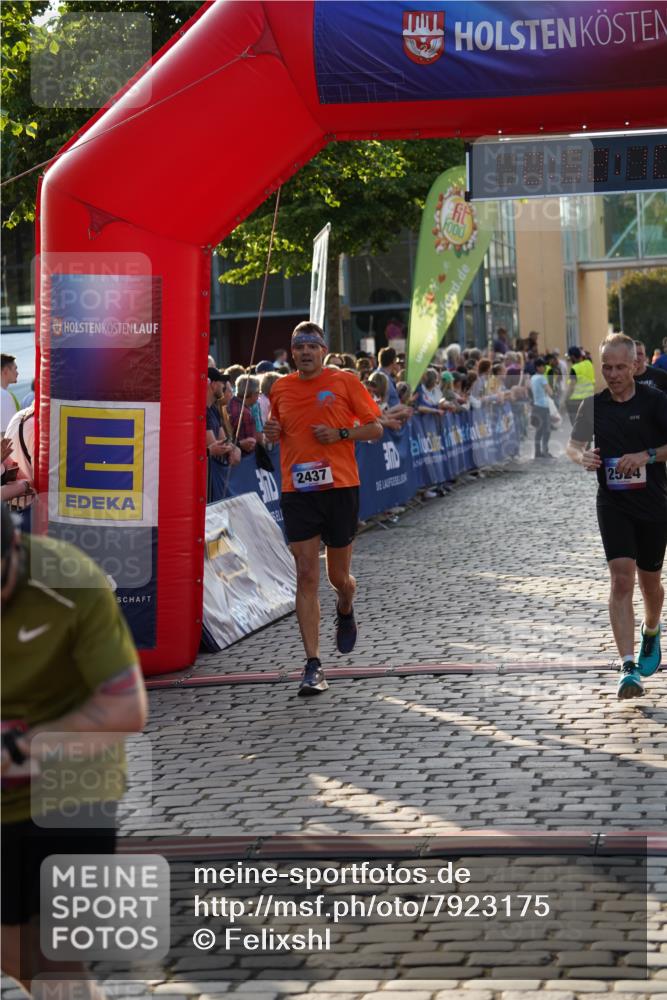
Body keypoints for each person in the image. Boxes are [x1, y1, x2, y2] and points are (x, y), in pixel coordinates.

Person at [1, 503, 148, 998]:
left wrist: (25, 748)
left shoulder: (71, 581)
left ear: (16, 551)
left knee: (58, 959)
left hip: (77, 779)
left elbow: (127, 709)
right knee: (17, 958)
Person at [264, 321, 382, 695]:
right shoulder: (280, 388)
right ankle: (313, 664)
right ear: (293, 352)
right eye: (299, 347)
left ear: (323, 350)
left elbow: (375, 428)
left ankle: (345, 607)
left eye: (311, 346)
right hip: (297, 491)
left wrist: (342, 434)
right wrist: (271, 434)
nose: (304, 352)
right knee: (306, 575)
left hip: (340, 488)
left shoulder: (345, 382)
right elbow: (277, 429)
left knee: (337, 579)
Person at [566, 333, 667, 699]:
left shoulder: (655, 401)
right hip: (613, 505)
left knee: (650, 584)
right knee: (621, 580)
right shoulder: (593, 406)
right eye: (606, 367)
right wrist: (583, 457)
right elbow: (573, 446)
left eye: (619, 367)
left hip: (654, 504)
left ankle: (651, 629)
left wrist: (647, 456)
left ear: (634, 365)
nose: (612, 374)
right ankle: (627, 667)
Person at [206, 368, 241, 465]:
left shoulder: (213, 409)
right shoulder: (202, 412)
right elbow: (216, 447)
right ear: (213, 385)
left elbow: (223, 440)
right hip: (208, 473)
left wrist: (235, 448)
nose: (223, 386)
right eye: (221, 382)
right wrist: (233, 448)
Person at [565, 346, 596, 426]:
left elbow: (571, 386)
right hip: (589, 399)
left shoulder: (575, 368)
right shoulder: (589, 364)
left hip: (576, 402)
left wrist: (565, 399)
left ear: (572, 357)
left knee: (577, 427)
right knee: (587, 425)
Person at [530, 358, 554, 459]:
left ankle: (537, 452)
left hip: (536, 406)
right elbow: (550, 392)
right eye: (543, 366)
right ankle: (545, 452)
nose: (544, 368)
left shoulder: (533, 378)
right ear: (538, 367)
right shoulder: (541, 378)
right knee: (546, 430)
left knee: (538, 431)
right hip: (544, 407)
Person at [1, 355, 20, 435]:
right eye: (15, 369)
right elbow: (10, 431)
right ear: (5, 371)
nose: (17, 373)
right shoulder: (4, 396)